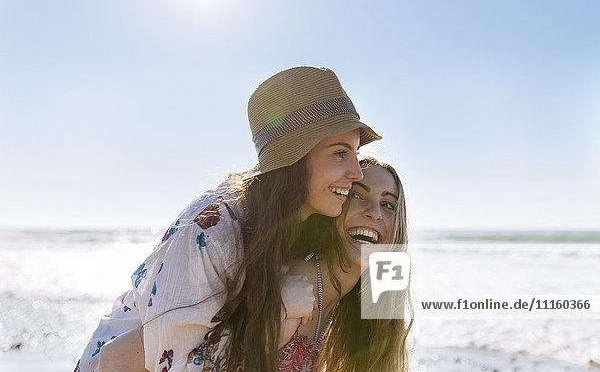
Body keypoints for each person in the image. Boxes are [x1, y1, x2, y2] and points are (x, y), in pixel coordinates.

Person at [74, 66, 381, 372]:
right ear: (293, 158)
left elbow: (391, 354)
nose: (356, 175)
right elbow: (126, 359)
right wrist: (272, 318)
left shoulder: (366, 263)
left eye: (392, 205)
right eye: (340, 154)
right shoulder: (216, 230)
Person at [187, 156, 413, 372]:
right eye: (357, 196)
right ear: (337, 205)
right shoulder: (292, 289)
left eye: (388, 205)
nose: (374, 213)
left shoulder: (353, 304)